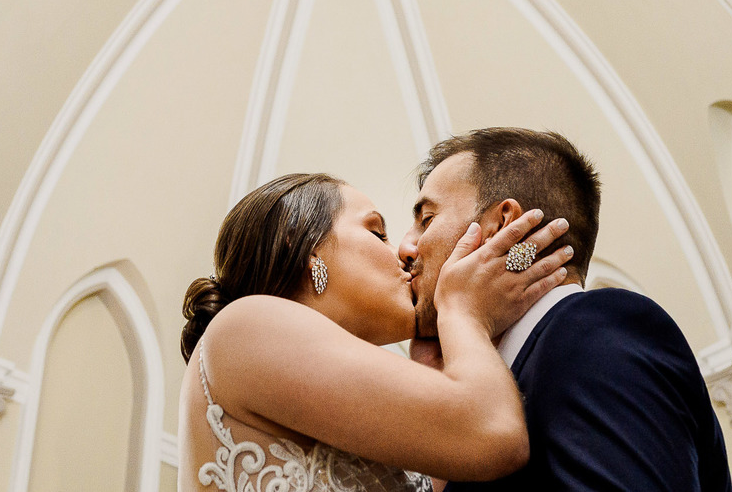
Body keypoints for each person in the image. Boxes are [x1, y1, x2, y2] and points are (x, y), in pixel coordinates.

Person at [178, 172, 573, 492]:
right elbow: (495, 433)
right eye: (377, 232)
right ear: (305, 247)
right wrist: (463, 313)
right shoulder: (245, 325)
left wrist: (433, 368)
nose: (404, 252)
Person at [400, 127, 732, 492]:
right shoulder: (527, 363)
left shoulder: (594, 331)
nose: (405, 248)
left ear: (502, 224)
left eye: (427, 219)